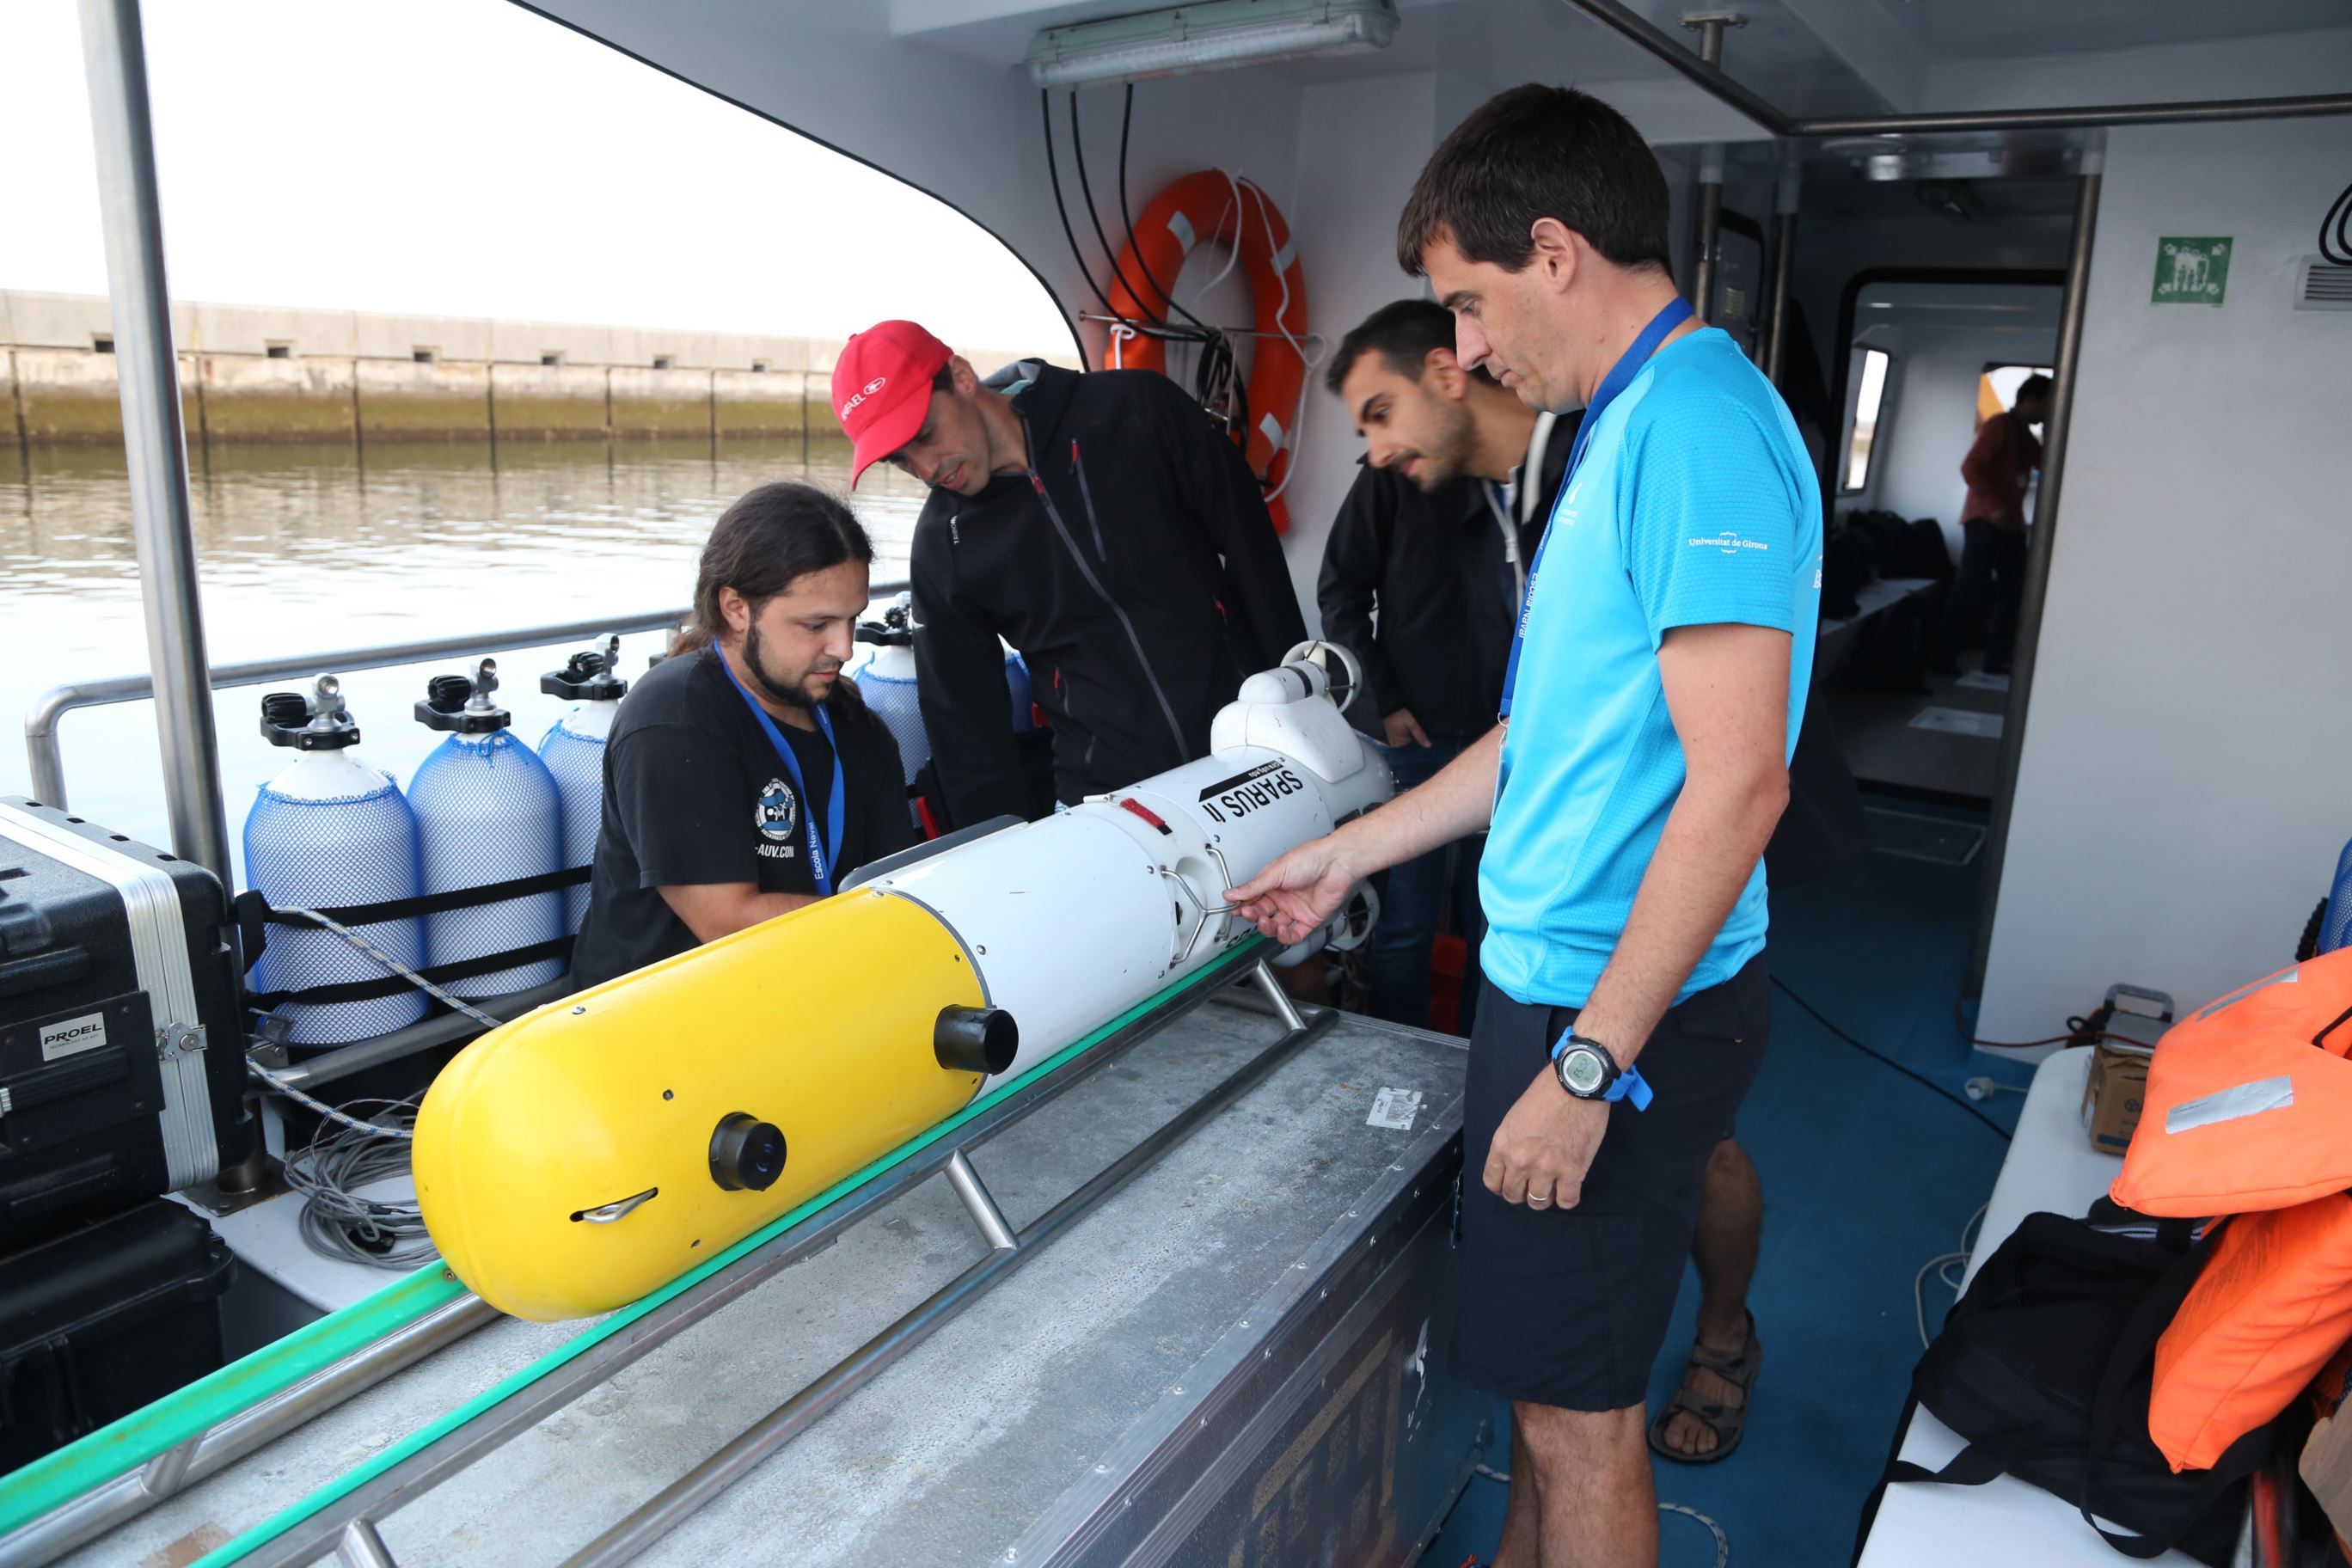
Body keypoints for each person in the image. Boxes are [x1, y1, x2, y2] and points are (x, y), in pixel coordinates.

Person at [1228, 85, 1822, 1568]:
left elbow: (1740, 783)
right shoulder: (1617, 430)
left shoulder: (1694, 428)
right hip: (1556, 977)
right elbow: (1545, 740)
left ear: (1555, 251)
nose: (1471, 347)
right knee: (1545, 1397)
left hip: (1609, 1006)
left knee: (1578, 1418)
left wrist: (1589, 1062)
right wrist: (1350, 849)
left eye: (1471, 302)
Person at [830, 320, 1307, 829]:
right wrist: (1002, 850)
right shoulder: (942, 545)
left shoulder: (1136, 408)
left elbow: (1253, 554)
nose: (926, 469)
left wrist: (1303, 696)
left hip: (1249, 748)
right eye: (900, 460)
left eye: (925, 435)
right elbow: (966, 731)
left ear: (962, 377)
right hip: (1108, 802)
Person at [1317, 298, 1576, 1032]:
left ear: (1446, 374)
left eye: (1382, 413)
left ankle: (1470, 1056)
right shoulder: (1395, 478)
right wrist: (1382, 704)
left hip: (1512, 739)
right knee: (1406, 923)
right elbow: (1340, 590)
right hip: (1421, 735)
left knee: (1491, 921)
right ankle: (1396, 1055)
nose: (1378, 449)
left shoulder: (1553, 484)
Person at [569, 483, 918, 989]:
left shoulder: (859, 727)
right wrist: (889, 919)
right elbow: (727, 922)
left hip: (807, 983)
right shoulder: (673, 720)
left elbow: (893, 881)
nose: (844, 648)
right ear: (736, 608)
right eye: (816, 625)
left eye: (852, 619)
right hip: (658, 1009)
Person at [1933, 374, 2049, 677]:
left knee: (2015, 592)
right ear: (2031, 401)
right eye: (2048, 405)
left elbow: (2048, 466)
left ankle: (1997, 659)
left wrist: (2052, 432)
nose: (2049, 412)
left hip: (2011, 525)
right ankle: (1942, 656)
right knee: (1971, 588)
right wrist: (1994, 505)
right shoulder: (1999, 426)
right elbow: (1970, 467)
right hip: (1985, 521)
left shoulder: (2027, 437)